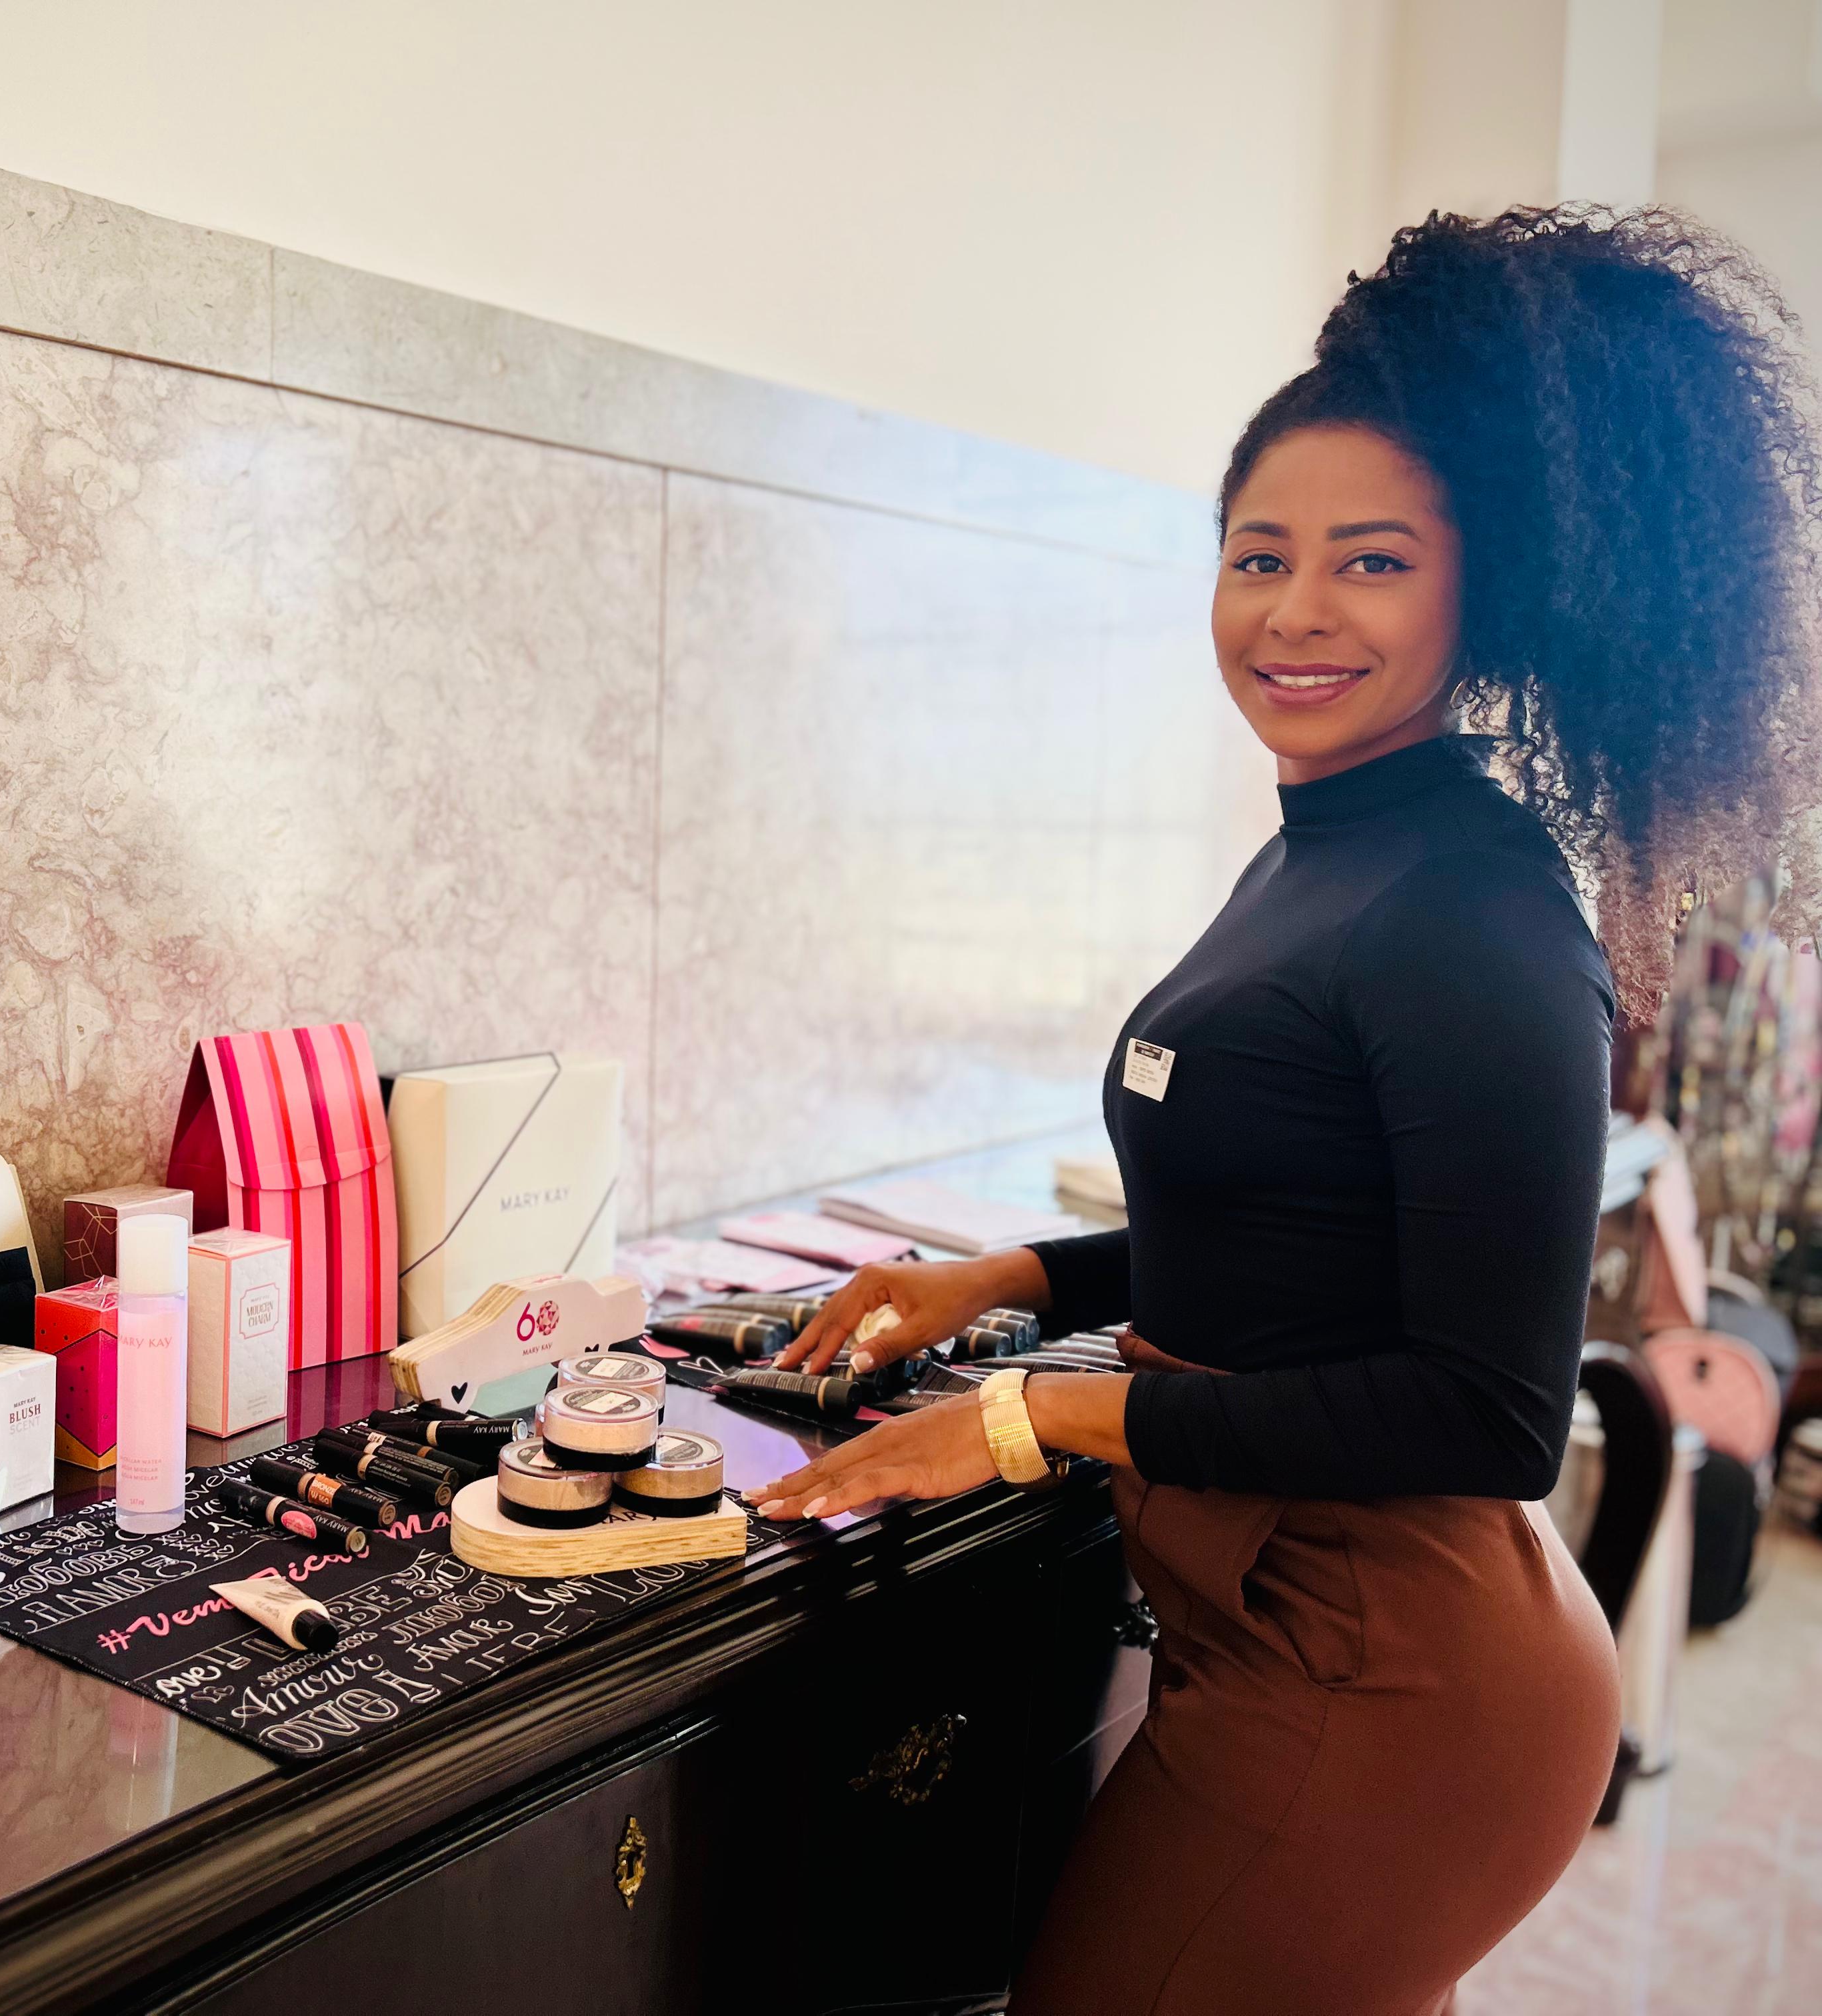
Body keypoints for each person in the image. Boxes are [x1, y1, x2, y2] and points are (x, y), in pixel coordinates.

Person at [750, 207, 1822, 2016]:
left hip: (1391, 1680)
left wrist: (1027, 1417)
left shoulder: (1475, 915)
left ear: (1484, 596)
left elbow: (1485, 1412)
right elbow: (1281, 1231)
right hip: (1298, 1634)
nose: (1297, 610)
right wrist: (1008, 1281)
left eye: (1372, 562)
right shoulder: (1329, 846)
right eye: (1260, 555)